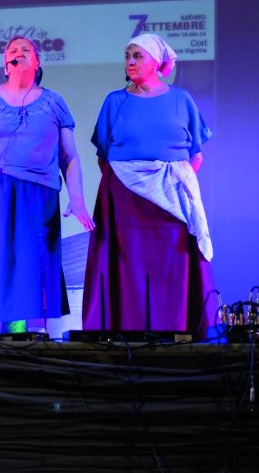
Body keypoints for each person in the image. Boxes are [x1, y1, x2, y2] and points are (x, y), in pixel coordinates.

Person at [0, 36, 94, 335]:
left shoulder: (54, 102)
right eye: (12, 50)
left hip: (38, 192)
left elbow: (70, 157)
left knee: (34, 264)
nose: (19, 52)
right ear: (5, 66)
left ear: (38, 63)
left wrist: (77, 197)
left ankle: (35, 335)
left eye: (26, 50)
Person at [82, 34, 216, 336]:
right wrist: (126, 183)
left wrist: (168, 182)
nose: (130, 61)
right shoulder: (115, 101)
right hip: (123, 200)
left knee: (172, 261)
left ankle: (177, 327)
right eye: (127, 56)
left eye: (137, 56)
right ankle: (124, 330)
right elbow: (103, 157)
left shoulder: (181, 100)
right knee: (125, 263)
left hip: (170, 200)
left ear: (156, 62)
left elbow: (196, 156)